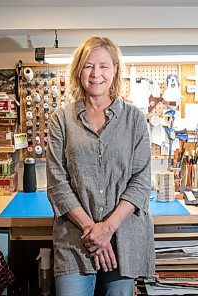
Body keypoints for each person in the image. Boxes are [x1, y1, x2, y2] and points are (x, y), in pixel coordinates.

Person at [46, 36, 154, 296]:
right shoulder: (61, 120)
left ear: (115, 70)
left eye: (104, 66)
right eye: (88, 66)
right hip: (75, 241)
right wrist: (93, 232)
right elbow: (57, 184)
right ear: (78, 71)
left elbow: (141, 181)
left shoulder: (134, 119)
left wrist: (107, 229)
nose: (96, 74)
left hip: (123, 239)